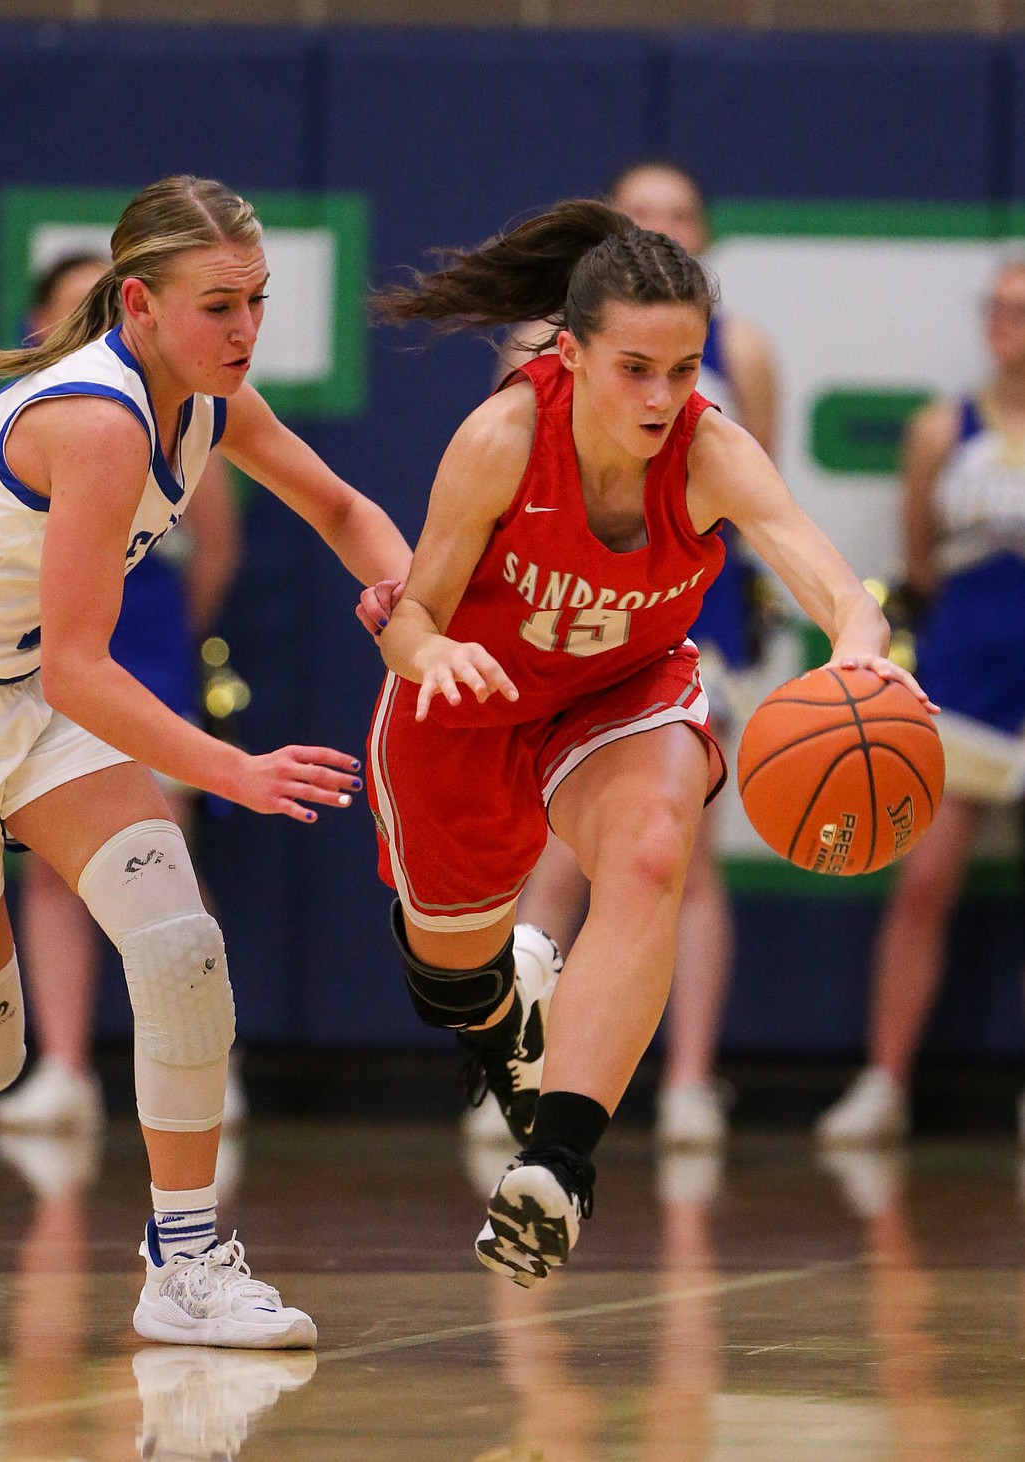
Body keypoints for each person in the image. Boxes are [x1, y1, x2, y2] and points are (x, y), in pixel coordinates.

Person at [0, 174, 410, 1347]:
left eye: (258, 300)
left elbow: (346, 511)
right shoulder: (98, 420)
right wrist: (235, 768)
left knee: (179, 945)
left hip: (26, 699)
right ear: (139, 303)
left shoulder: (207, 399)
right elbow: (83, 669)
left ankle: (187, 1260)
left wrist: (418, 617)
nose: (247, 330)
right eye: (220, 305)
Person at [368, 198, 933, 1287]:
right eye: (635, 368)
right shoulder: (501, 441)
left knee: (650, 849)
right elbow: (412, 614)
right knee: (448, 978)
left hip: (621, 688)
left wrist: (865, 655)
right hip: (472, 700)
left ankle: (560, 1166)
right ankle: (509, 1017)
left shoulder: (711, 450)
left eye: (683, 367)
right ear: (571, 352)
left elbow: (834, 588)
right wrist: (429, 655)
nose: (663, 396)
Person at [475, 161, 780, 1152]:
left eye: (681, 213)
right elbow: (505, 493)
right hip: (562, 623)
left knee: (681, 858)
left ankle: (691, 1079)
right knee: (558, 860)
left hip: (684, 622)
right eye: (644, 212)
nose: (664, 224)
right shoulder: (538, 354)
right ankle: (526, 1075)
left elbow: (750, 504)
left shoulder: (745, 354)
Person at [0, 252, 247, 1136]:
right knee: (54, 875)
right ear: (39, 326)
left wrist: (170, 637)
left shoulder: (180, 414)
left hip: (141, 657)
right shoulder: (35, 417)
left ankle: (208, 1058)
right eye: (75, 310)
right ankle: (62, 1068)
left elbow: (215, 545)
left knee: (160, 853)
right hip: (29, 669)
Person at [816, 260, 1025, 1146]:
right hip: (967, 681)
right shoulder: (944, 430)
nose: (1011, 322)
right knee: (924, 881)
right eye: (1003, 308)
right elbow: (923, 566)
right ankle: (885, 1082)